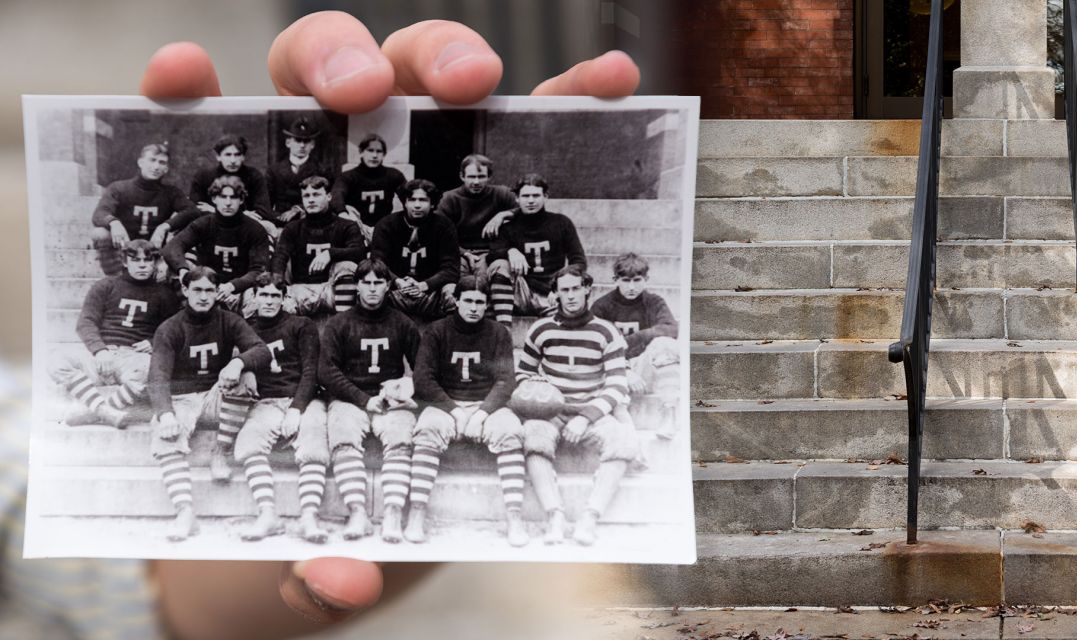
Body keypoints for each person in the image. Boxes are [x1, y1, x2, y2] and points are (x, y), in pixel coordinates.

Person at [2, 14, 639, 639]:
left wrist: (406, 365)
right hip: (276, 391)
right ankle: (260, 488)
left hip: (353, 390)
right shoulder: (224, 304)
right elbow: (284, 347)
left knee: (343, 422)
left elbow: (366, 360)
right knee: (239, 419)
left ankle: (427, 513)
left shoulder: (353, 291)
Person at [147, 267, 272, 540]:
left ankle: (221, 450)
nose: (203, 296)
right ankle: (185, 511)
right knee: (164, 433)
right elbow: (157, 376)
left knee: (246, 378)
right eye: (197, 290)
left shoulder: (229, 320)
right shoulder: (170, 327)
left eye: (209, 290)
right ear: (185, 290)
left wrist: (238, 362)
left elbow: (261, 350)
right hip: (182, 400)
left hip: (217, 396)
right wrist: (165, 414)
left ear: (217, 293)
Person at [518, 264, 637, 547]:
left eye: (575, 289)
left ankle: (590, 517)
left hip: (592, 413)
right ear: (556, 294)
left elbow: (618, 384)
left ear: (587, 290)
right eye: (564, 290)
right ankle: (554, 515)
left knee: (623, 443)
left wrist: (585, 417)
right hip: (552, 412)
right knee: (533, 437)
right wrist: (541, 391)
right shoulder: (541, 329)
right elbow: (522, 374)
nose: (570, 296)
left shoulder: (606, 331)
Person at [407, 276, 525, 544]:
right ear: (456, 301)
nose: (473, 307)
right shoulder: (437, 331)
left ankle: (514, 516)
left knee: (511, 431)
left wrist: (482, 413)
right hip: (445, 403)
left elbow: (506, 380)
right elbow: (423, 379)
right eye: (468, 301)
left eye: (480, 302)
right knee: (427, 429)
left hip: (488, 405)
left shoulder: (498, 333)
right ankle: (417, 511)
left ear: (487, 305)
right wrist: (455, 411)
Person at [319, 258, 423, 543]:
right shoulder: (339, 323)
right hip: (350, 398)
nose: (373, 289)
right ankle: (357, 511)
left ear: (388, 286)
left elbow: (424, 369)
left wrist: (404, 387)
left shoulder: (402, 323)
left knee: (401, 436)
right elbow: (326, 371)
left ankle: (392, 512)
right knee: (342, 434)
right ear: (357, 286)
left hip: (388, 400)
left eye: (379, 283)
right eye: (366, 283)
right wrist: (363, 399)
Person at [221, 281, 332, 543]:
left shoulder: (301, 325)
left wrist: (296, 408)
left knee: (314, 445)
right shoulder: (246, 328)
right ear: (254, 298)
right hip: (266, 401)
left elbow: (310, 372)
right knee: (249, 443)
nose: (269, 301)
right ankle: (268, 514)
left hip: (303, 399)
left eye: (275, 296)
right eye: (263, 295)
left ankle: (309, 516)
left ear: (284, 298)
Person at [49, 239, 179, 427]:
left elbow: (173, 329)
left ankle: (95, 411)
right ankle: (104, 411)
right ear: (125, 262)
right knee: (55, 358)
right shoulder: (106, 286)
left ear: (155, 263)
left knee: (154, 371)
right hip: (102, 354)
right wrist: (100, 350)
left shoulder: (164, 294)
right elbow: (86, 322)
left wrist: (153, 342)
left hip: (133, 358)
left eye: (147, 260)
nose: (142, 265)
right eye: (136, 260)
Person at [589, 252, 681, 435]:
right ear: (615, 280)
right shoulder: (601, 306)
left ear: (646, 279)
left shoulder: (653, 302)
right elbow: (593, 346)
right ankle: (623, 427)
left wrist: (633, 339)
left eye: (637, 280)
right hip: (611, 370)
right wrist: (624, 370)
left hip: (643, 367)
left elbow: (672, 329)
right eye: (625, 280)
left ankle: (669, 413)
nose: (631, 287)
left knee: (666, 344)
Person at [162, 175, 272, 315]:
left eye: (233, 197)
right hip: (206, 285)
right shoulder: (203, 224)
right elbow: (172, 247)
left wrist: (232, 286)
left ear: (241, 200)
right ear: (214, 199)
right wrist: (183, 270)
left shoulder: (255, 229)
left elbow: (259, 270)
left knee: (257, 299)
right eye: (223, 197)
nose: (228, 203)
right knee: (169, 272)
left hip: (240, 289)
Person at [486, 173, 586, 324]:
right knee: (499, 265)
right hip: (521, 292)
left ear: (545, 196)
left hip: (550, 293)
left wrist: (559, 286)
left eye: (536, 195)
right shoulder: (508, 227)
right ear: (517, 198)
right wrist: (510, 251)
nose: (531, 200)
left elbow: (578, 261)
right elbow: (492, 255)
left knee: (569, 325)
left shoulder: (561, 223)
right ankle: (504, 327)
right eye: (525, 196)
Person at [90, 142, 196, 276]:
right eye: (152, 160)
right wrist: (114, 222)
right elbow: (99, 213)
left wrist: (164, 226)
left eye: (162, 163)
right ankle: (115, 277)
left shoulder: (171, 192)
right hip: (125, 249)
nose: (156, 166)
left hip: (154, 252)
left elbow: (192, 211)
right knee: (100, 233)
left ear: (166, 169)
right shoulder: (119, 188)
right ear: (140, 162)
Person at [270, 176, 366, 315]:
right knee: (274, 278)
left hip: (333, 290)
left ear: (328, 196)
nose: (311, 200)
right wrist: (279, 286)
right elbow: (280, 257)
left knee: (347, 266)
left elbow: (359, 252)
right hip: (301, 290)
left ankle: (344, 321)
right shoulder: (293, 228)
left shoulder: (346, 225)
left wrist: (330, 253)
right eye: (306, 196)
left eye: (316, 194)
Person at [370, 178, 460, 321]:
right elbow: (377, 261)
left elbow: (451, 269)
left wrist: (424, 285)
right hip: (395, 291)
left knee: (452, 290)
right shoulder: (386, 224)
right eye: (412, 200)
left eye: (423, 200)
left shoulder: (444, 226)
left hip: (430, 293)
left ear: (432, 203)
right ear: (405, 202)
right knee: (370, 286)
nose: (417, 205)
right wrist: (397, 281)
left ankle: (450, 337)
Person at [434, 154, 517, 279]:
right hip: (459, 252)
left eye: (481, 176)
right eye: (472, 177)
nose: (476, 182)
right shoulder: (449, 199)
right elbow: (439, 233)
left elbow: (525, 210)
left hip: (492, 252)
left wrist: (503, 215)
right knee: (456, 281)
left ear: (489, 176)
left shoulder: (502, 193)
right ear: (462, 176)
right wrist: (464, 253)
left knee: (487, 279)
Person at [265, 117, 333, 238]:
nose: (302, 145)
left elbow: (327, 199)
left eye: (306, 141)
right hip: (281, 221)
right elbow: (266, 202)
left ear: (312, 144)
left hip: (310, 220)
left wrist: (298, 210)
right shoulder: (274, 170)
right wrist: (279, 217)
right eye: (297, 140)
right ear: (288, 143)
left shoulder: (322, 169)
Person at [333, 132, 407, 240]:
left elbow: (408, 196)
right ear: (361, 152)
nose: (374, 155)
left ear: (384, 154)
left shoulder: (393, 175)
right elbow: (337, 195)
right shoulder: (348, 176)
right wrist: (344, 214)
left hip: (384, 229)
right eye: (370, 150)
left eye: (379, 151)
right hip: (355, 228)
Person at [189, 134, 270, 219]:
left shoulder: (254, 176)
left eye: (237, 155)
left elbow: (263, 212)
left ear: (243, 157)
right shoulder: (203, 176)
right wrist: (243, 214)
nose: (233, 160)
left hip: (245, 228)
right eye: (228, 155)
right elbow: (195, 210)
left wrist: (214, 210)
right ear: (218, 156)